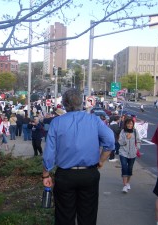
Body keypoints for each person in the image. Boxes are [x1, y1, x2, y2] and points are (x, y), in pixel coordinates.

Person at [42, 88, 114, 225]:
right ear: (81, 102)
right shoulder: (94, 120)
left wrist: (46, 174)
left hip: (65, 175)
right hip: (89, 173)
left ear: (64, 104)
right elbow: (110, 141)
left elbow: (49, 154)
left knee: (64, 216)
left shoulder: (57, 122)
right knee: (88, 216)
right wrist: (101, 160)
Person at [118, 117, 141, 193]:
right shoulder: (123, 131)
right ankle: (124, 185)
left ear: (133, 124)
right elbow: (120, 141)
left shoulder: (135, 131)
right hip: (123, 152)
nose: (129, 125)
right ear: (126, 124)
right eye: (128, 123)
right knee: (124, 167)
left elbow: (138, 140)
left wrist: (136, 148)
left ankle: (128, 183)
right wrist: (126, 140)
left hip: (132, 153)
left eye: (131, 124)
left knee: (130, 168)